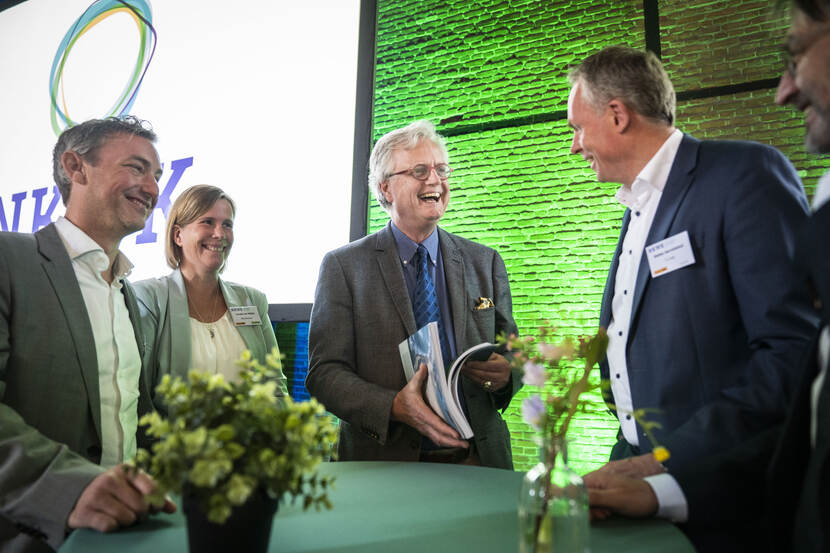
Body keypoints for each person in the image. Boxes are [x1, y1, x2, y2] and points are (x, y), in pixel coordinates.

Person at [586, 6, 830, 551]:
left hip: (717, 483)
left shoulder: (743, 175)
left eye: (579, 127)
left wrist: (668, 458)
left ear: (618, 115)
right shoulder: (635, 204)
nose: (576, 144)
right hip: (633, 464)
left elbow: (790, 349)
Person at [0, 116, 175, 553]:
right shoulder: (8, 260)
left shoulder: (128, 292)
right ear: (76, 168)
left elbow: (135, 416)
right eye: (136, 168)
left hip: (127, 536)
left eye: (156, 175)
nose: (152, 188)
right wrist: (68, 488)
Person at [306, 120, 520, 468]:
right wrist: (393, 406)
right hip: (383, 465)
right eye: (420, 170)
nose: (435, 180)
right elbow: (325, 374)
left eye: (441, 169)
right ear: (386, 188)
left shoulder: (485, 261)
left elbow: (514, 352)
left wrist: (508, 372)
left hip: (479, 461)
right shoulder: (343, 267)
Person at [134, 185, 287, 411]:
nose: (220, 234)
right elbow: (139, 396)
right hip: (173, 444)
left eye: (227, 224)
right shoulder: (148, 298)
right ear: (178, 235)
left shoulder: (252, 300)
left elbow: (275, 388)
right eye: (207, 222)